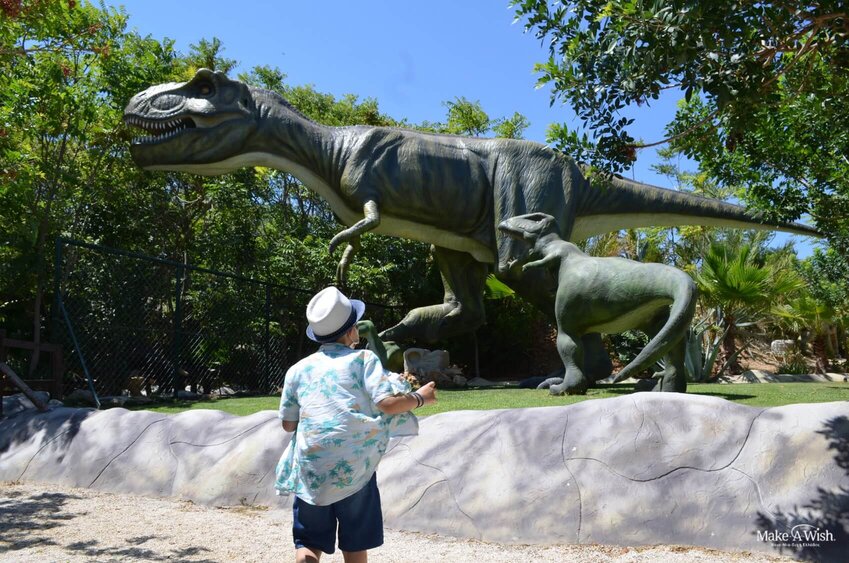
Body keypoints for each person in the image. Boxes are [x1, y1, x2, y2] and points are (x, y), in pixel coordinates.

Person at [275, 286, 436, 563]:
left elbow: (289, 425)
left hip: (312, 468)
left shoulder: (297, 370)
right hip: (354, 469)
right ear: (352, 331)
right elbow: (387, 403)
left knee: (309, 540)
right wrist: (420, 398)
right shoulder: (363, 359)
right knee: (355, 539)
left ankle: (306, 556)